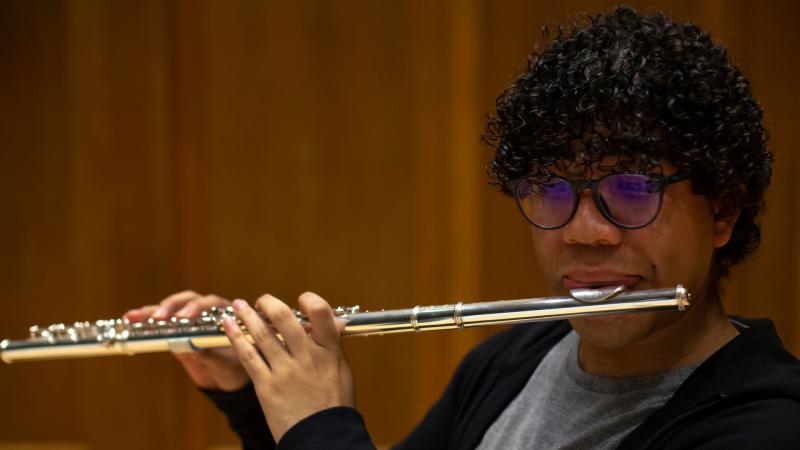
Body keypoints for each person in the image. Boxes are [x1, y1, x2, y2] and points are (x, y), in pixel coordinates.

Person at [126, 5, 800, 449]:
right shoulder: (512, 361)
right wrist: (258, 392)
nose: (585, 231)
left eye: (630, 189)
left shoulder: (764, 426)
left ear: (723, 211)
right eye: (553, 188)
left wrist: (322, 427)